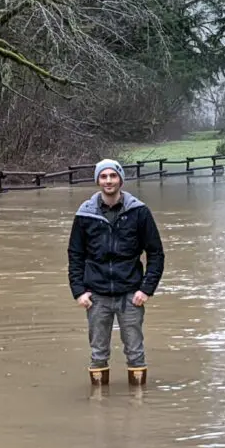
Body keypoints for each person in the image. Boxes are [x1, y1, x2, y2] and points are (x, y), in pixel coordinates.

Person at [67, 159, 164, 386]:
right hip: (96, 295)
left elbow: (156, 253)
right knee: (98, 353)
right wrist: (79, 291)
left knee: (135, 351)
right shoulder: (85, 214)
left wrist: (146, 289)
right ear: (98, 181)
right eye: (103, 176)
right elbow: (75, 255)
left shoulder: (139, 212)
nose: (108, 180)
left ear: (120, 179)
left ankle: (138, 402)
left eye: (113, 176)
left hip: (131, 293)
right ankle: (99, 403)